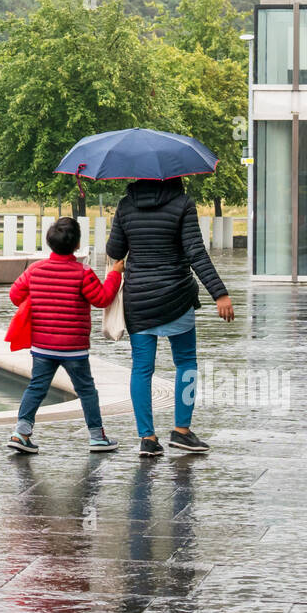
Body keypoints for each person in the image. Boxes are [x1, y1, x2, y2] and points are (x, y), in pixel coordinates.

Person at [106, 177, 233, 457]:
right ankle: (182, 432)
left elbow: (114, 251)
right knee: (186, 362)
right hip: (177, 296)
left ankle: (147, 438)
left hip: (138, 299)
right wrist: (219, 294)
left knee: (142, 368)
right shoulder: (183, 204)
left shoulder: (126, 205)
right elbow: (196, 252)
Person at [6, 217, 123, 454]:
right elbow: (101, 299)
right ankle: (97, 437)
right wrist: (115, 275)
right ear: (77, 244)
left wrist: (37, 299)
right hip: (74, 348)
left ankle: (21, 433)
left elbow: (15, 295)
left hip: (42, 346)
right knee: (86, 391)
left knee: (36, 387)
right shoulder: (83, 273)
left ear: (50, 243)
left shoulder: (35, 270)